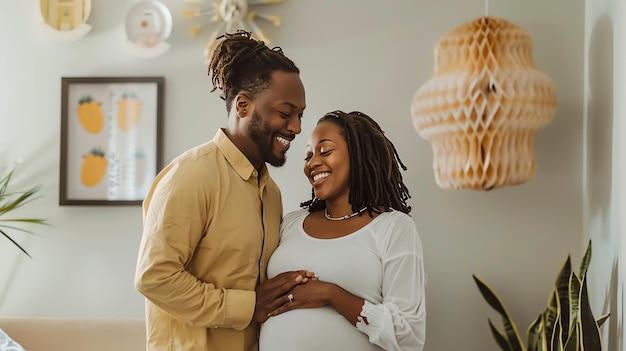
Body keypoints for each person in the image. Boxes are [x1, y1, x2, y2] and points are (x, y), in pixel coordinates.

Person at [134, 30, 310, 351]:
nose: (297, 127)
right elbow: (154, 277)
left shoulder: (272, 194)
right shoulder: (191, 175)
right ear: (243, 105)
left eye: (300, 115)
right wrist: (248, 306)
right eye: (286, 114)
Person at [259, 110, 426, 351]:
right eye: (308, 156)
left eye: (325, 151)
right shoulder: (291, 223)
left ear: (358, 155)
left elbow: (408, 335)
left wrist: (331, 295)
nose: (313, 163)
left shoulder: (393, 227)